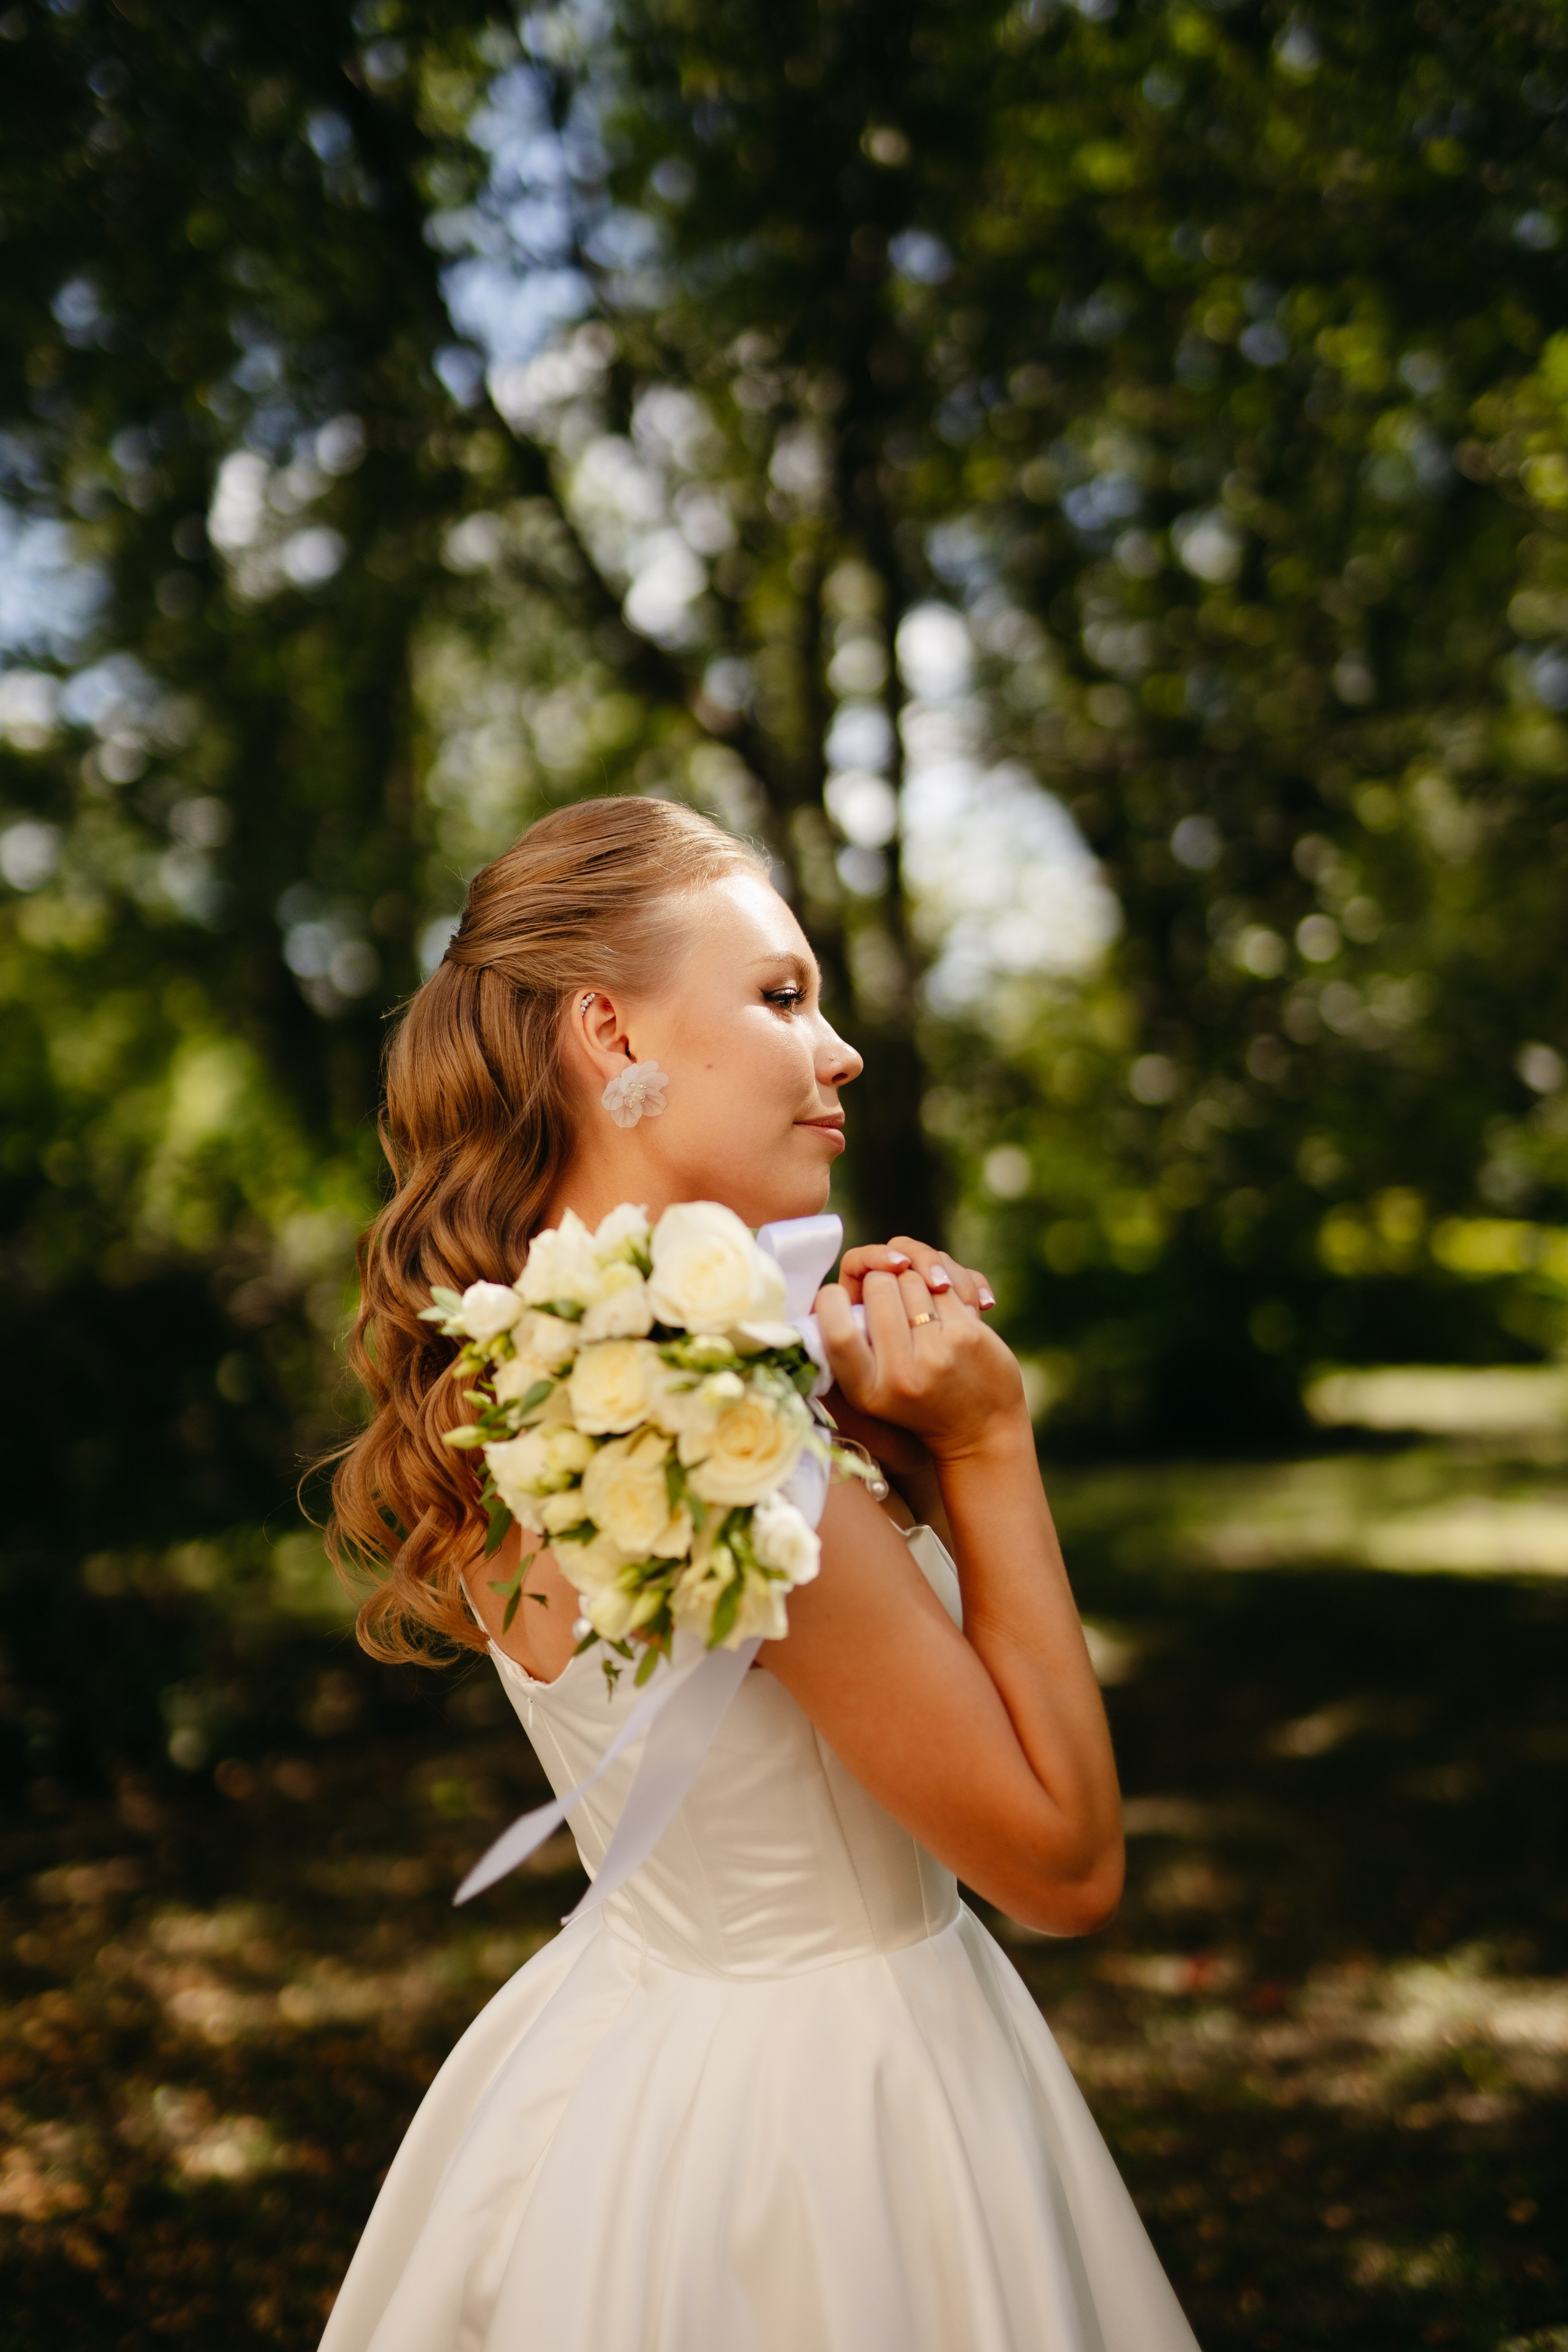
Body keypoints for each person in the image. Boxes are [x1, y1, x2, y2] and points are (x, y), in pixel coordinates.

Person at [321, 796, 1199, 2351]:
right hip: (836, 2115)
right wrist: (987, 1446)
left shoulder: (534, 1364)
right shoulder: (705, 1425)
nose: (837, 1050)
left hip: (632, 2067)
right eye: (782, 996)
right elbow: (1061, 1866)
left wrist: (888, 1467)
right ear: (608, 1031)